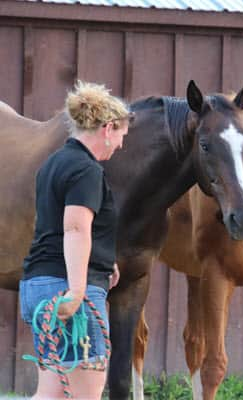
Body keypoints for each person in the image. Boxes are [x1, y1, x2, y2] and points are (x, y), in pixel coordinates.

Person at [20, 81, 132, 399]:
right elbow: (75, 229)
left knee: (52, 393)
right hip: (67, 291)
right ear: (108, 128)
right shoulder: (86, 171)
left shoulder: (53, 164)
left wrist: (102, 259)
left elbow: (58, 225)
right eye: (121, 135)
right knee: (83, 395)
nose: (120, 145)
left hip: (39, 284)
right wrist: (78, 290)